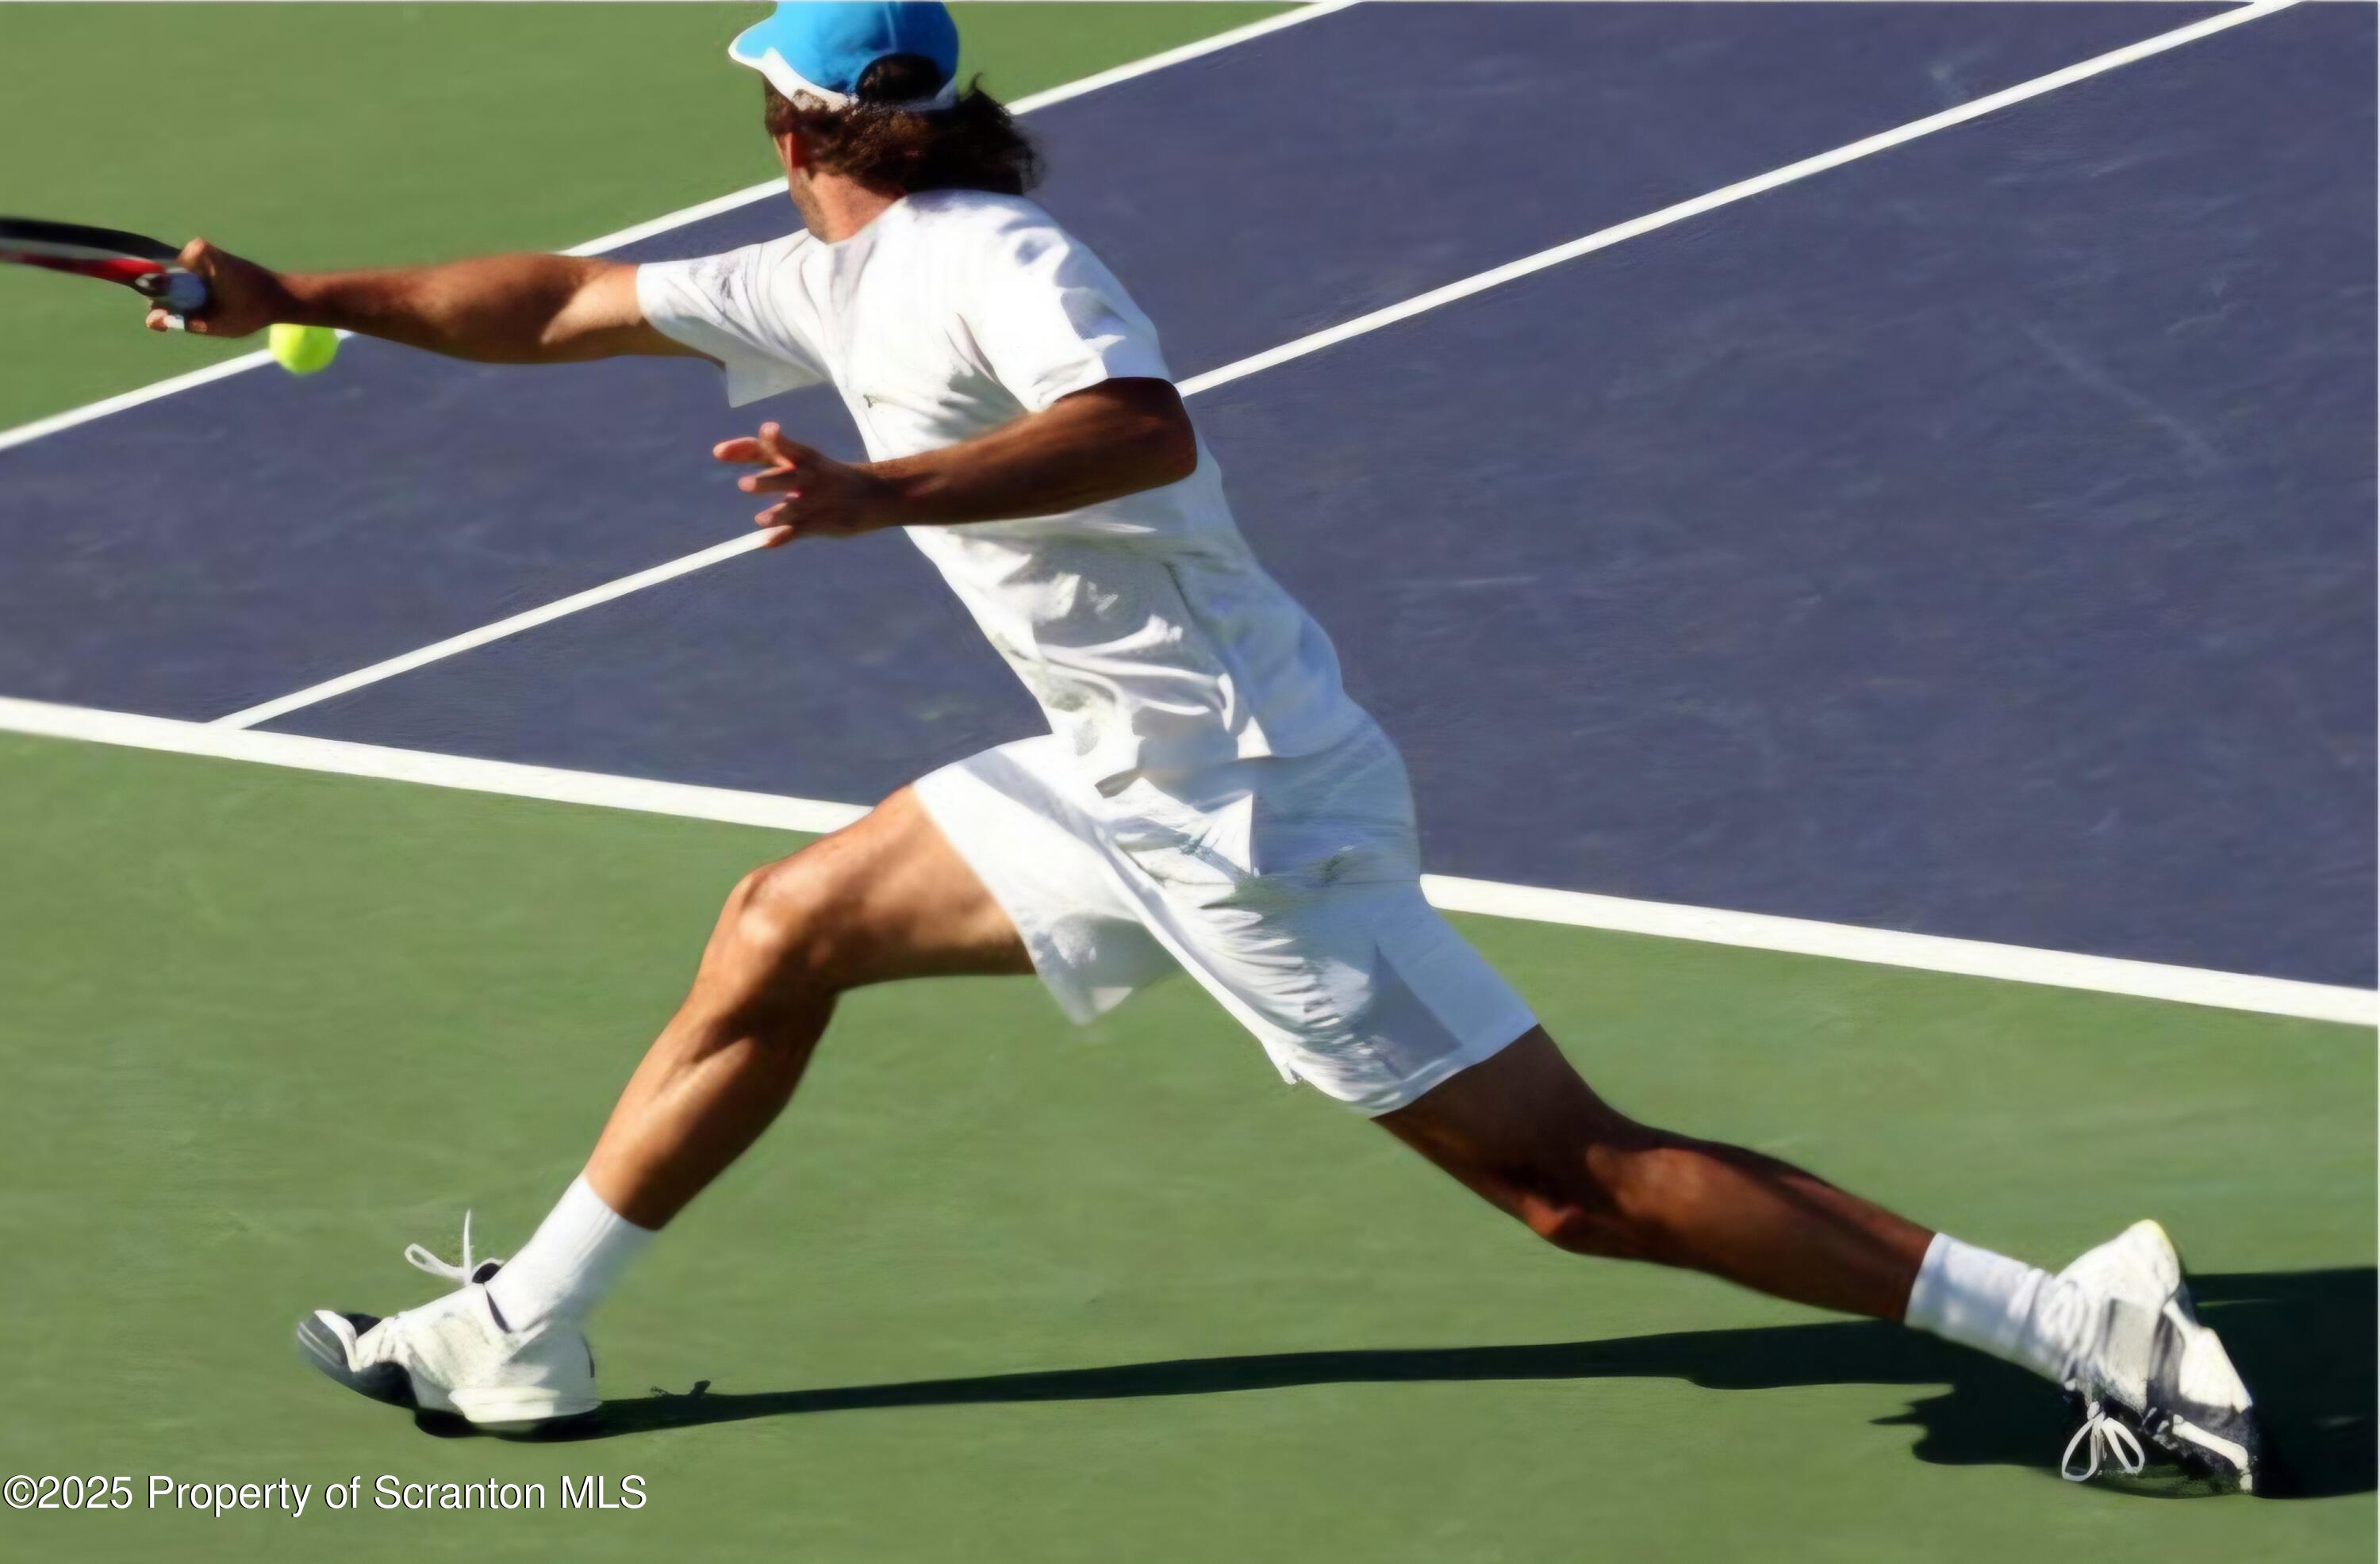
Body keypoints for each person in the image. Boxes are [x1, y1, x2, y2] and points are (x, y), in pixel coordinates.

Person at [155, 3, 2257, 1486]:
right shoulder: (841, 278)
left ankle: (2089, 1334)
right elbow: (550, 304)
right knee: (784, 925)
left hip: (1244, 811)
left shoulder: (996, 264)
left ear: (793, 132)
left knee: (1573, 1186)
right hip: (1120, 769)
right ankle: (528, 1328)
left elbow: (1141, 424)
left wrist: (891, 493)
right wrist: (293, 289)